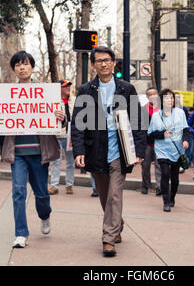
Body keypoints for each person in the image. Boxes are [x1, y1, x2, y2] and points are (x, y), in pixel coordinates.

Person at [71, 46, 146, 257]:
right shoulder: (85, 90)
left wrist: (138, 149)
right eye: (99, 61)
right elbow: (77, 123)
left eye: (107, 60)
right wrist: (79, 150)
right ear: (93, 65)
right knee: (104, 196)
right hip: (95, 151)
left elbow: (138, 121)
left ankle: (108, 238)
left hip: (119, 152)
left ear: (113, 63)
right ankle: (117, 223)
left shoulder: (126, 89)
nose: (103, 64)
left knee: (115, 195)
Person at [0, 51, 62, 248]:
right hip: (17, 154)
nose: (22, 68)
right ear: (14, 69)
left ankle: (45, 215)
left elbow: (60, 120)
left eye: (25, 64)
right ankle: (21, 233)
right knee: (18, 192)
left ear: (32, 67)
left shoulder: (45, 93)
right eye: (18, 65)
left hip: (39, 152)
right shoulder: (6, 96)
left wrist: (60, 115)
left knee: (41, 193)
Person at [148, 89, 191, 212]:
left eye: (171, 98)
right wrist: (163, 134)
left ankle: (172, 197)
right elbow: (150, 135)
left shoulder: (180, 113)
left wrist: (186, 140)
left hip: (177, 150)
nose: (170, 100)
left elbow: (186, 130)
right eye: (167, 98)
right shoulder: (156, 116)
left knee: (175, 178)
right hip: (162, 150)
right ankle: (166, 201)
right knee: (165, 174)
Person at [48, 79, 75, 195]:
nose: (67, 88)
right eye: (65, 86)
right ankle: (54, 185)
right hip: (57, 135)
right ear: (59, 89)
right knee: (55, 161)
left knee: (71, 162)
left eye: (68, 86)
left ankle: (69, 185)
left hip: (71, 136)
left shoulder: (75, 100)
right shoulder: (53, 102)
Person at [141, 87, 162, 195]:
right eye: (150, 94)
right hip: (147, 143)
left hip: (159, 143)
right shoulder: (142, 110)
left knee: (159, 166)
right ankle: (145, 186)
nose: (153, 96)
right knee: (145, 166)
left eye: (155, 94)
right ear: (147, 96)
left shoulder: (162, 110)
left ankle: (159, 187)